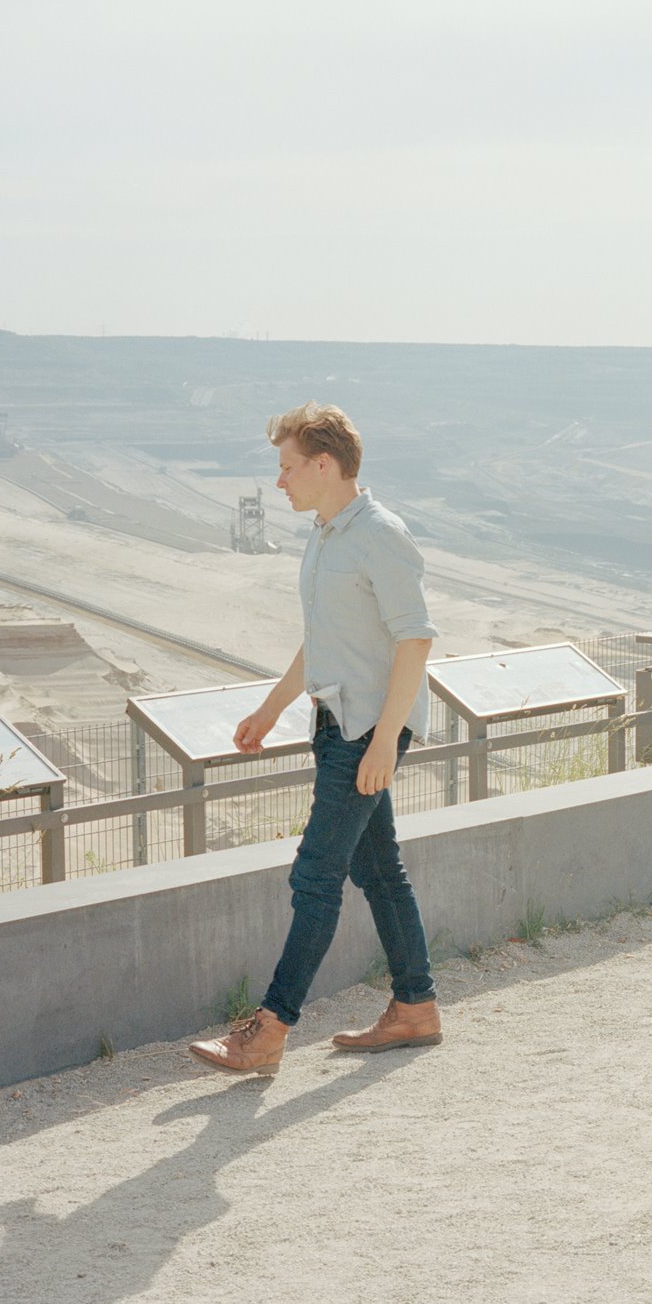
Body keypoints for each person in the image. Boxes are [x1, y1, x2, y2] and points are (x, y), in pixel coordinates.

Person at [188, 403, 442, 1075]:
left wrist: (387, 740)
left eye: (288, 467)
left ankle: (269, 1030)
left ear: (324, 465)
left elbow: (415, 637)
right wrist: (271, 710)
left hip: (366, 730)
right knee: (378, 868)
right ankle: (415, 1008)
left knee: (316, 875)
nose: (280, 483)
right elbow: (323, 639)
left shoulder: (380, 534)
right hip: (336, 724)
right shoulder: (328, 534)